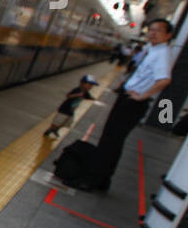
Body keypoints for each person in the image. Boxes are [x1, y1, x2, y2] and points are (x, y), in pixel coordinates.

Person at [62, 18, 173, 191]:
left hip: (132, 104)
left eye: (158, 30)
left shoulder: (163, 53)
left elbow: (164, 80)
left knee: (110, 142)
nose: (153, 33)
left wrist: (142, 96)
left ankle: (92, 181)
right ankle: (102, 180)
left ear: (168, 35)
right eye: (151, 29)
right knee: (111, 141)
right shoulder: (151, 49)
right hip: (126, 99)